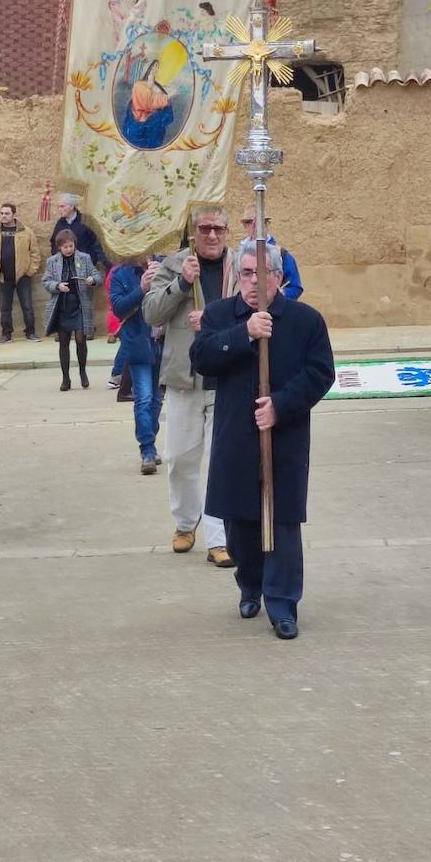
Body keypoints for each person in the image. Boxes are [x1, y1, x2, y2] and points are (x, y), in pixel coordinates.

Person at [190, 240, 335, 640]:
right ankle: (250, 585)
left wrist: (282, 405)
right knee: (241, 525)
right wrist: (244, 333)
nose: (253, 282)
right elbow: (201, 359)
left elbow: (321, 374)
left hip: (284, 438)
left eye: (262, 274)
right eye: (247, 273)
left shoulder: (306, 320)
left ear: (280, 277)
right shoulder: (221, 315)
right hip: (236, 436)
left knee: (283, 523)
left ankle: (283, 602)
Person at [142, 205, 236, 565]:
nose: (212, 235)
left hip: (227, 377)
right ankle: (185, 523)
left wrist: (214, 321)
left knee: (219, 462)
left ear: (228, 232)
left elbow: (256, 306)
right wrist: (182, 284)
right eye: (205, 228)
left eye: (219, 229)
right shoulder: (174, 264)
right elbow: (152, 312)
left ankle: (218, 539)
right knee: (180, 459)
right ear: (194, 232)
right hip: (185, 376)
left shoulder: (240, 264)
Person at [110, 259, 164, 473]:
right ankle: (148, 450)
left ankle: (149, 438)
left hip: (162, 343)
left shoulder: (163, 266)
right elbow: (118, 308)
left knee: (158, 399)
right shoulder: (120, 274)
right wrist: (141, 287)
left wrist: (162, 279)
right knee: (143, 398)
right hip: (138, 343)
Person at [42, 229, 102, 390]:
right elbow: (46, 281)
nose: (68, 249)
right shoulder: (52, 261)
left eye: (71, 246)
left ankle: (82, 371)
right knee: (63, 341)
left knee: (81, 339)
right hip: (62, 305)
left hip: (80, 304)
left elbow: (97, 276)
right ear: (59, 247)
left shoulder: (84, 258)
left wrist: (92, 280)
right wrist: (57, 286)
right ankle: (66, 378)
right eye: (65, 247)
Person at [0, 202, 42, 343]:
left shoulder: (26, 232)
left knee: (27, 306)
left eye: (7, 213)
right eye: (2, 213)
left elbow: (35, 253)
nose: (3, 216)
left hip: (22, 276)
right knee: (5, 308)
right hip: (2, 277)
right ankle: (6, 334)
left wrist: (30, 271)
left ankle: (30, 333)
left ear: (14, 215)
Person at [239, 208, 303, 300]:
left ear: (267, 225)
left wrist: (281, 293)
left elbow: (295, 287)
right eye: (252, 224)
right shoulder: (238, 254)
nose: (257, 228)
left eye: (262, 223)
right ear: (245, 226)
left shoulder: (282, 254)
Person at [50, 195, 107, 269]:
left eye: (62, 206)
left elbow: (97, 243)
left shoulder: (87, 221)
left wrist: (93, 261)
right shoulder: (60, 223)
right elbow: (54, 244)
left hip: (85, 267)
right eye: (58, 207)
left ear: (72, 206)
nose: (59, 209)